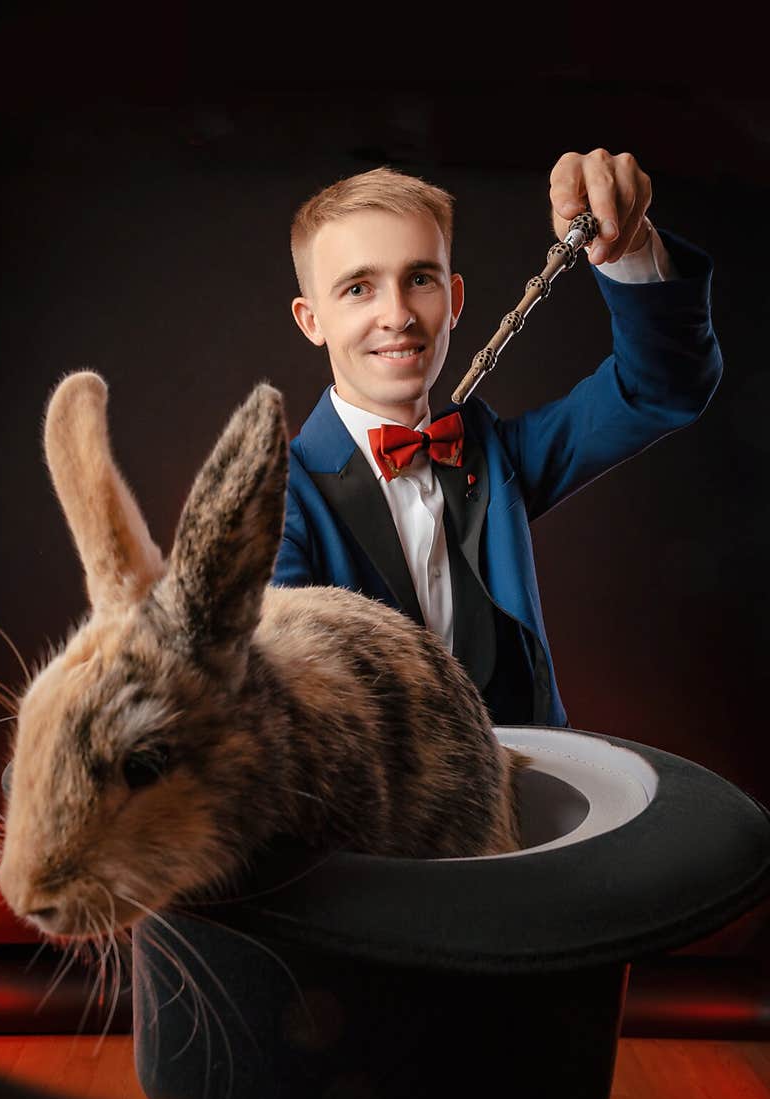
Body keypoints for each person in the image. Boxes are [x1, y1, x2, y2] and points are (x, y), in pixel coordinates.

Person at [270, 150, 723, 727]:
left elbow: (663, 387)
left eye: (420, 279)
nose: (399, 315)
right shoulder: (277, 501)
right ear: (312, 320)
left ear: (454, 300)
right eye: (358, 288)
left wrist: (629, 247)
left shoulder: (493, 454)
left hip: (531, 793)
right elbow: (278, 705)